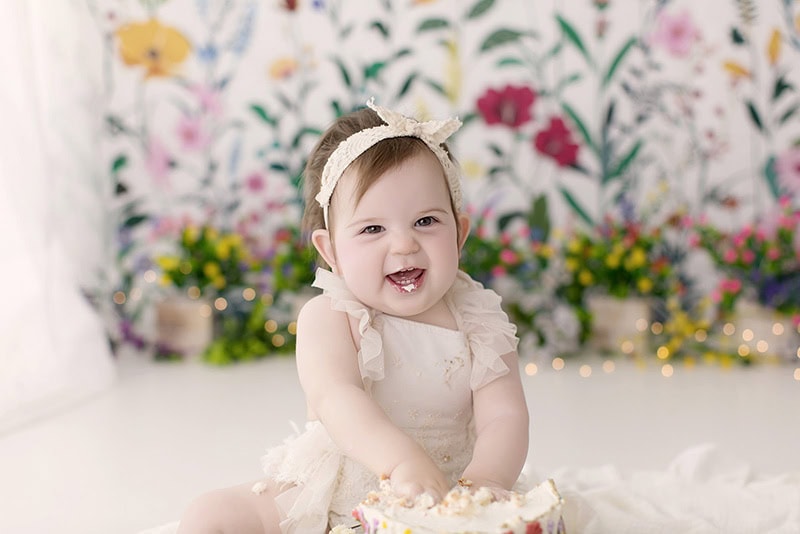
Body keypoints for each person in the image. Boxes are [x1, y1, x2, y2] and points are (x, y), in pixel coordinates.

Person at [176, 98, 530, 533]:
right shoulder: (330, 316)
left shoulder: (479, 319)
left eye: (425, 221)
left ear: (459, 233)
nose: (404, 244)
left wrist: (486, 482)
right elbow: (336, 396)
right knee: (211, 515)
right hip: (342, 484)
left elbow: (504, 416)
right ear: (331, 251)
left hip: (449, 489)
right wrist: (400, 462)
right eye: (372, 229)